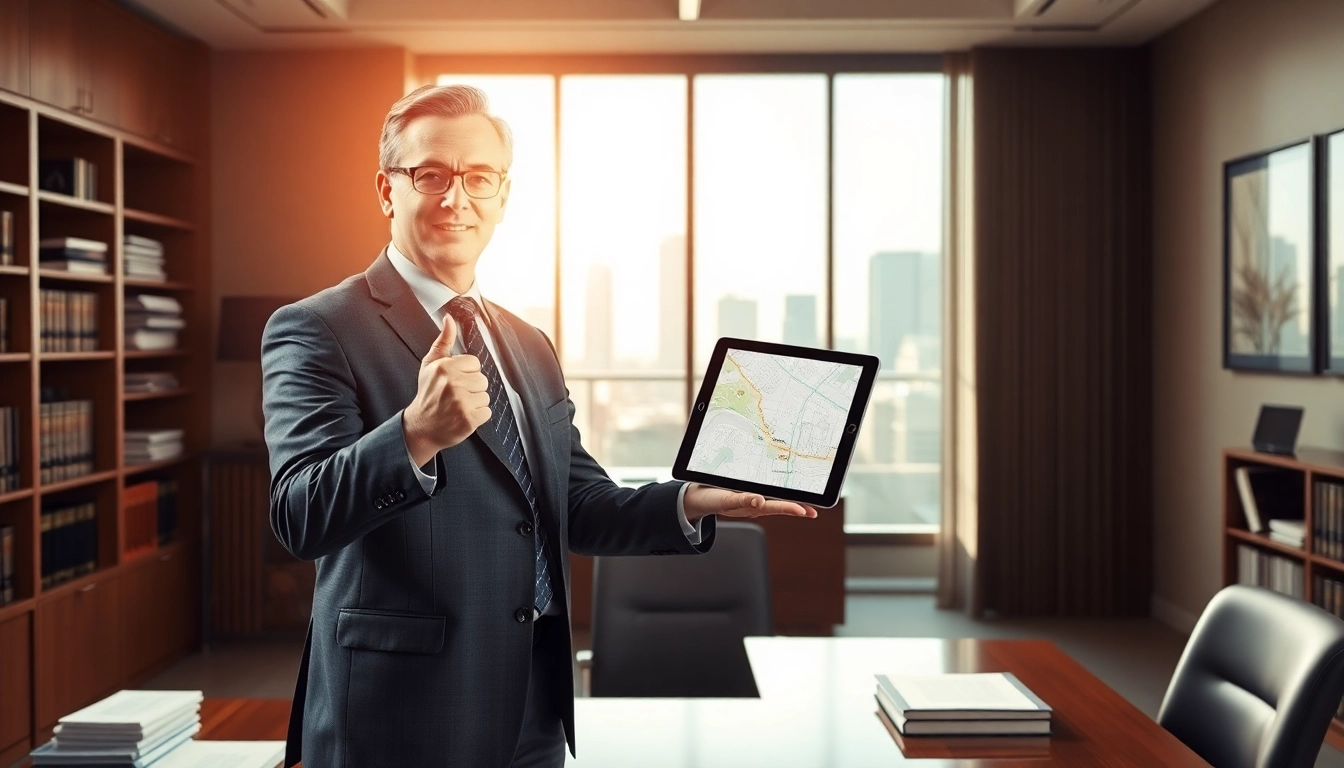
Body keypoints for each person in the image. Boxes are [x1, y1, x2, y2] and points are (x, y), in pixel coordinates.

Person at [260, 83, 817, 768]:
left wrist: (691, 498)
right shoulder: (317, 328)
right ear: (386, 190)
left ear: (503, 195)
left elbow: (577, 506)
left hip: (534, 704)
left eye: (479, 177)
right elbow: (299, 514)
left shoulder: (525, 343)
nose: (455, 198)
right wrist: (414, 435)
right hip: (401, 711)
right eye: (429, 174)